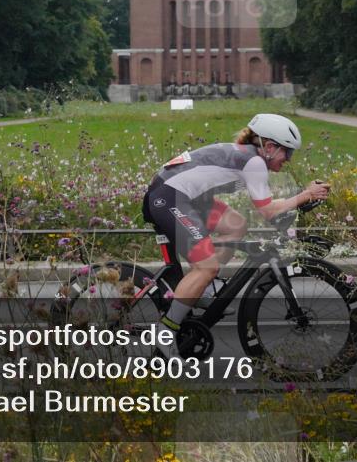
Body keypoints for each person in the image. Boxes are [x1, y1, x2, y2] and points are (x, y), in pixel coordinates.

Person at [141, 113, 331, 358]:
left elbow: (266, 204)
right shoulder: (255, 163)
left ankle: (204, 287)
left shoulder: (250, 157)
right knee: (206, 267)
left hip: (184, 196)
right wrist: (305, 195)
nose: (289, 159)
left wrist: (300, 198)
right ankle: (166, 331)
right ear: (269, 147)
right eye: (288, 152)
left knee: (236, 225)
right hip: (169, 198)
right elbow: (268, 210)